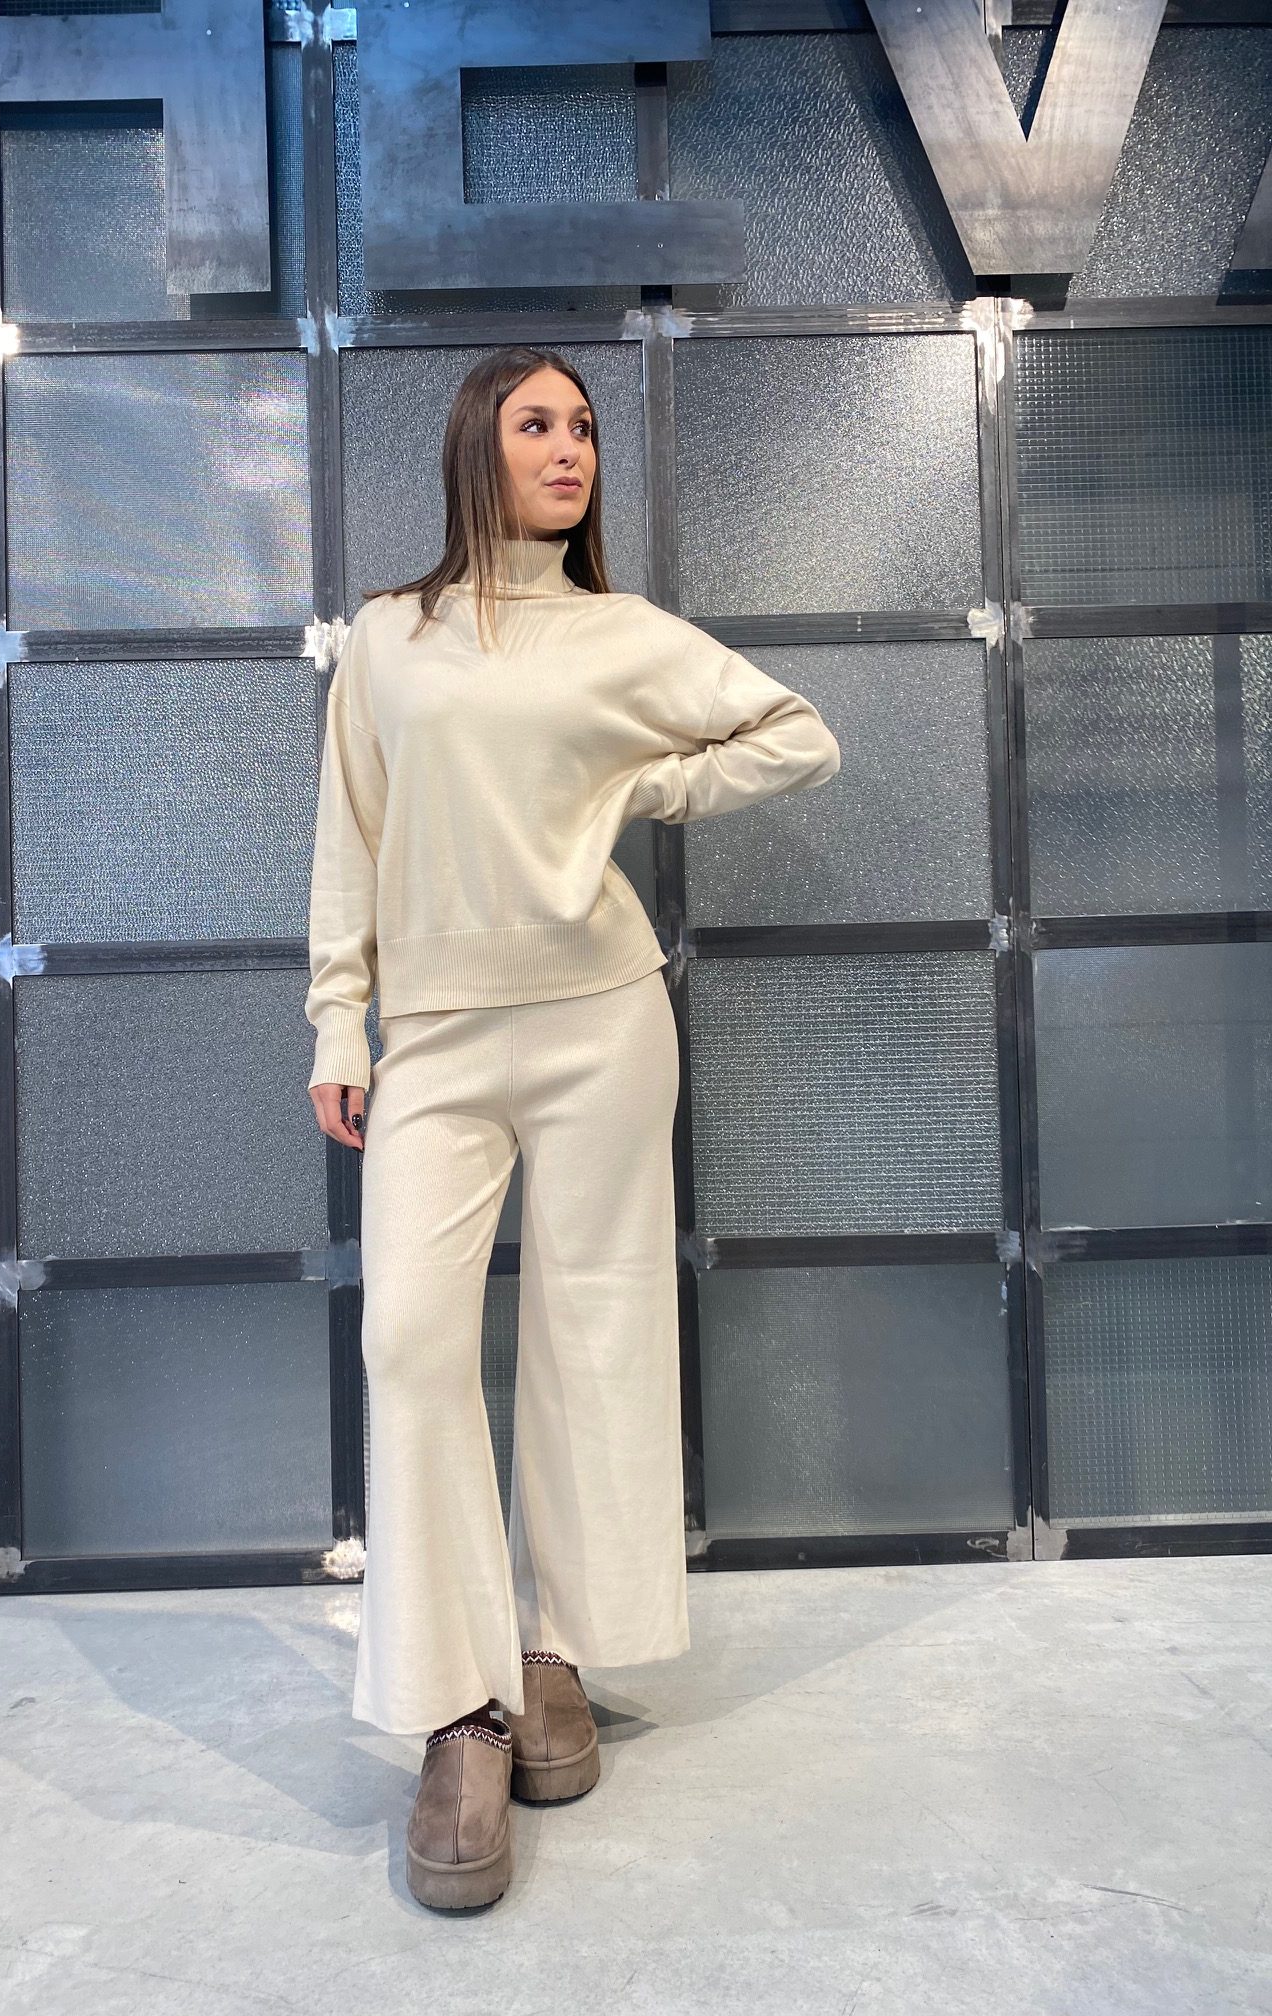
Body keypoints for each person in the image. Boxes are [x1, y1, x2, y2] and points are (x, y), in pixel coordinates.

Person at [305, 345, 841, 1910]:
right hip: (439, 1037)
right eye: (538, 422)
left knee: (590, 1332)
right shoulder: (389, 638)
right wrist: (340, 1018)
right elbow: (351, 836)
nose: (571, 448)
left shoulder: (622, 635)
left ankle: (550, 1656)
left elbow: (798, 732)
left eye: (587, 428)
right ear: (476, 441)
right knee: (411, 1340)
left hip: (603, 1018)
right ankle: (455, 1705)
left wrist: (644, 790)